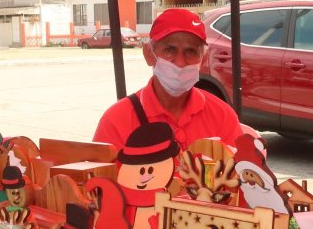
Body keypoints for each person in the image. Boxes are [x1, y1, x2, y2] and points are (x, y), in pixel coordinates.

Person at [93, 8, 241, 152]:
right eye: (170, 50)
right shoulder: (116, 121)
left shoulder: (222, 116)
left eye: (191, 51)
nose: (180, 62)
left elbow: (241, 172)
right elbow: (101, 175)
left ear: (202, 59)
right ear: (149, 54)